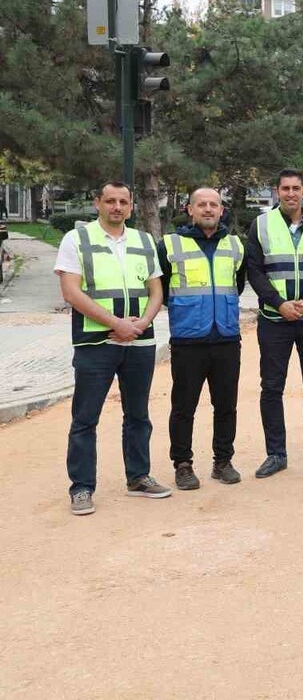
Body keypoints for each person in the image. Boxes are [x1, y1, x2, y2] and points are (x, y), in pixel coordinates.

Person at [55, 181, 169, 515]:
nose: (116, 207)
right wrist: (115, 323)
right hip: (95, 342)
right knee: (85, 418)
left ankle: (138, 477)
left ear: (131, 206)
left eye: (123, 201)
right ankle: (81, 488)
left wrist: (141, 324)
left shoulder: (144, 240)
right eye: (110, 201)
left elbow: (156, 291)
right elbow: (71, 292)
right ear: (97, 203)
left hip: (138, 342)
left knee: (138, 415)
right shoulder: (77, 239)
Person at [245, 169, 303, 478]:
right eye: (285, 188)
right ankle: (276, 454)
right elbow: (255, 270)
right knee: (272, 387)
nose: (290, 193)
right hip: (275, 319)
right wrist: (279, 303)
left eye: (296, 188)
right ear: (276, 191)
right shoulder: (261, 224)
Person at [158, 187, 247, 490]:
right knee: (184, 406)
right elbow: (163, 290)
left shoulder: (235, 246)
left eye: (214, 205)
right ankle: (182, 464)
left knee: (226, 406)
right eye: (202, 205)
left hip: (226, 338)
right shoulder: (170, 245)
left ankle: (223, 462)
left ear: (222, 210)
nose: (209, 209)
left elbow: (239, 284)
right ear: (190, 210)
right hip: (188, 340)